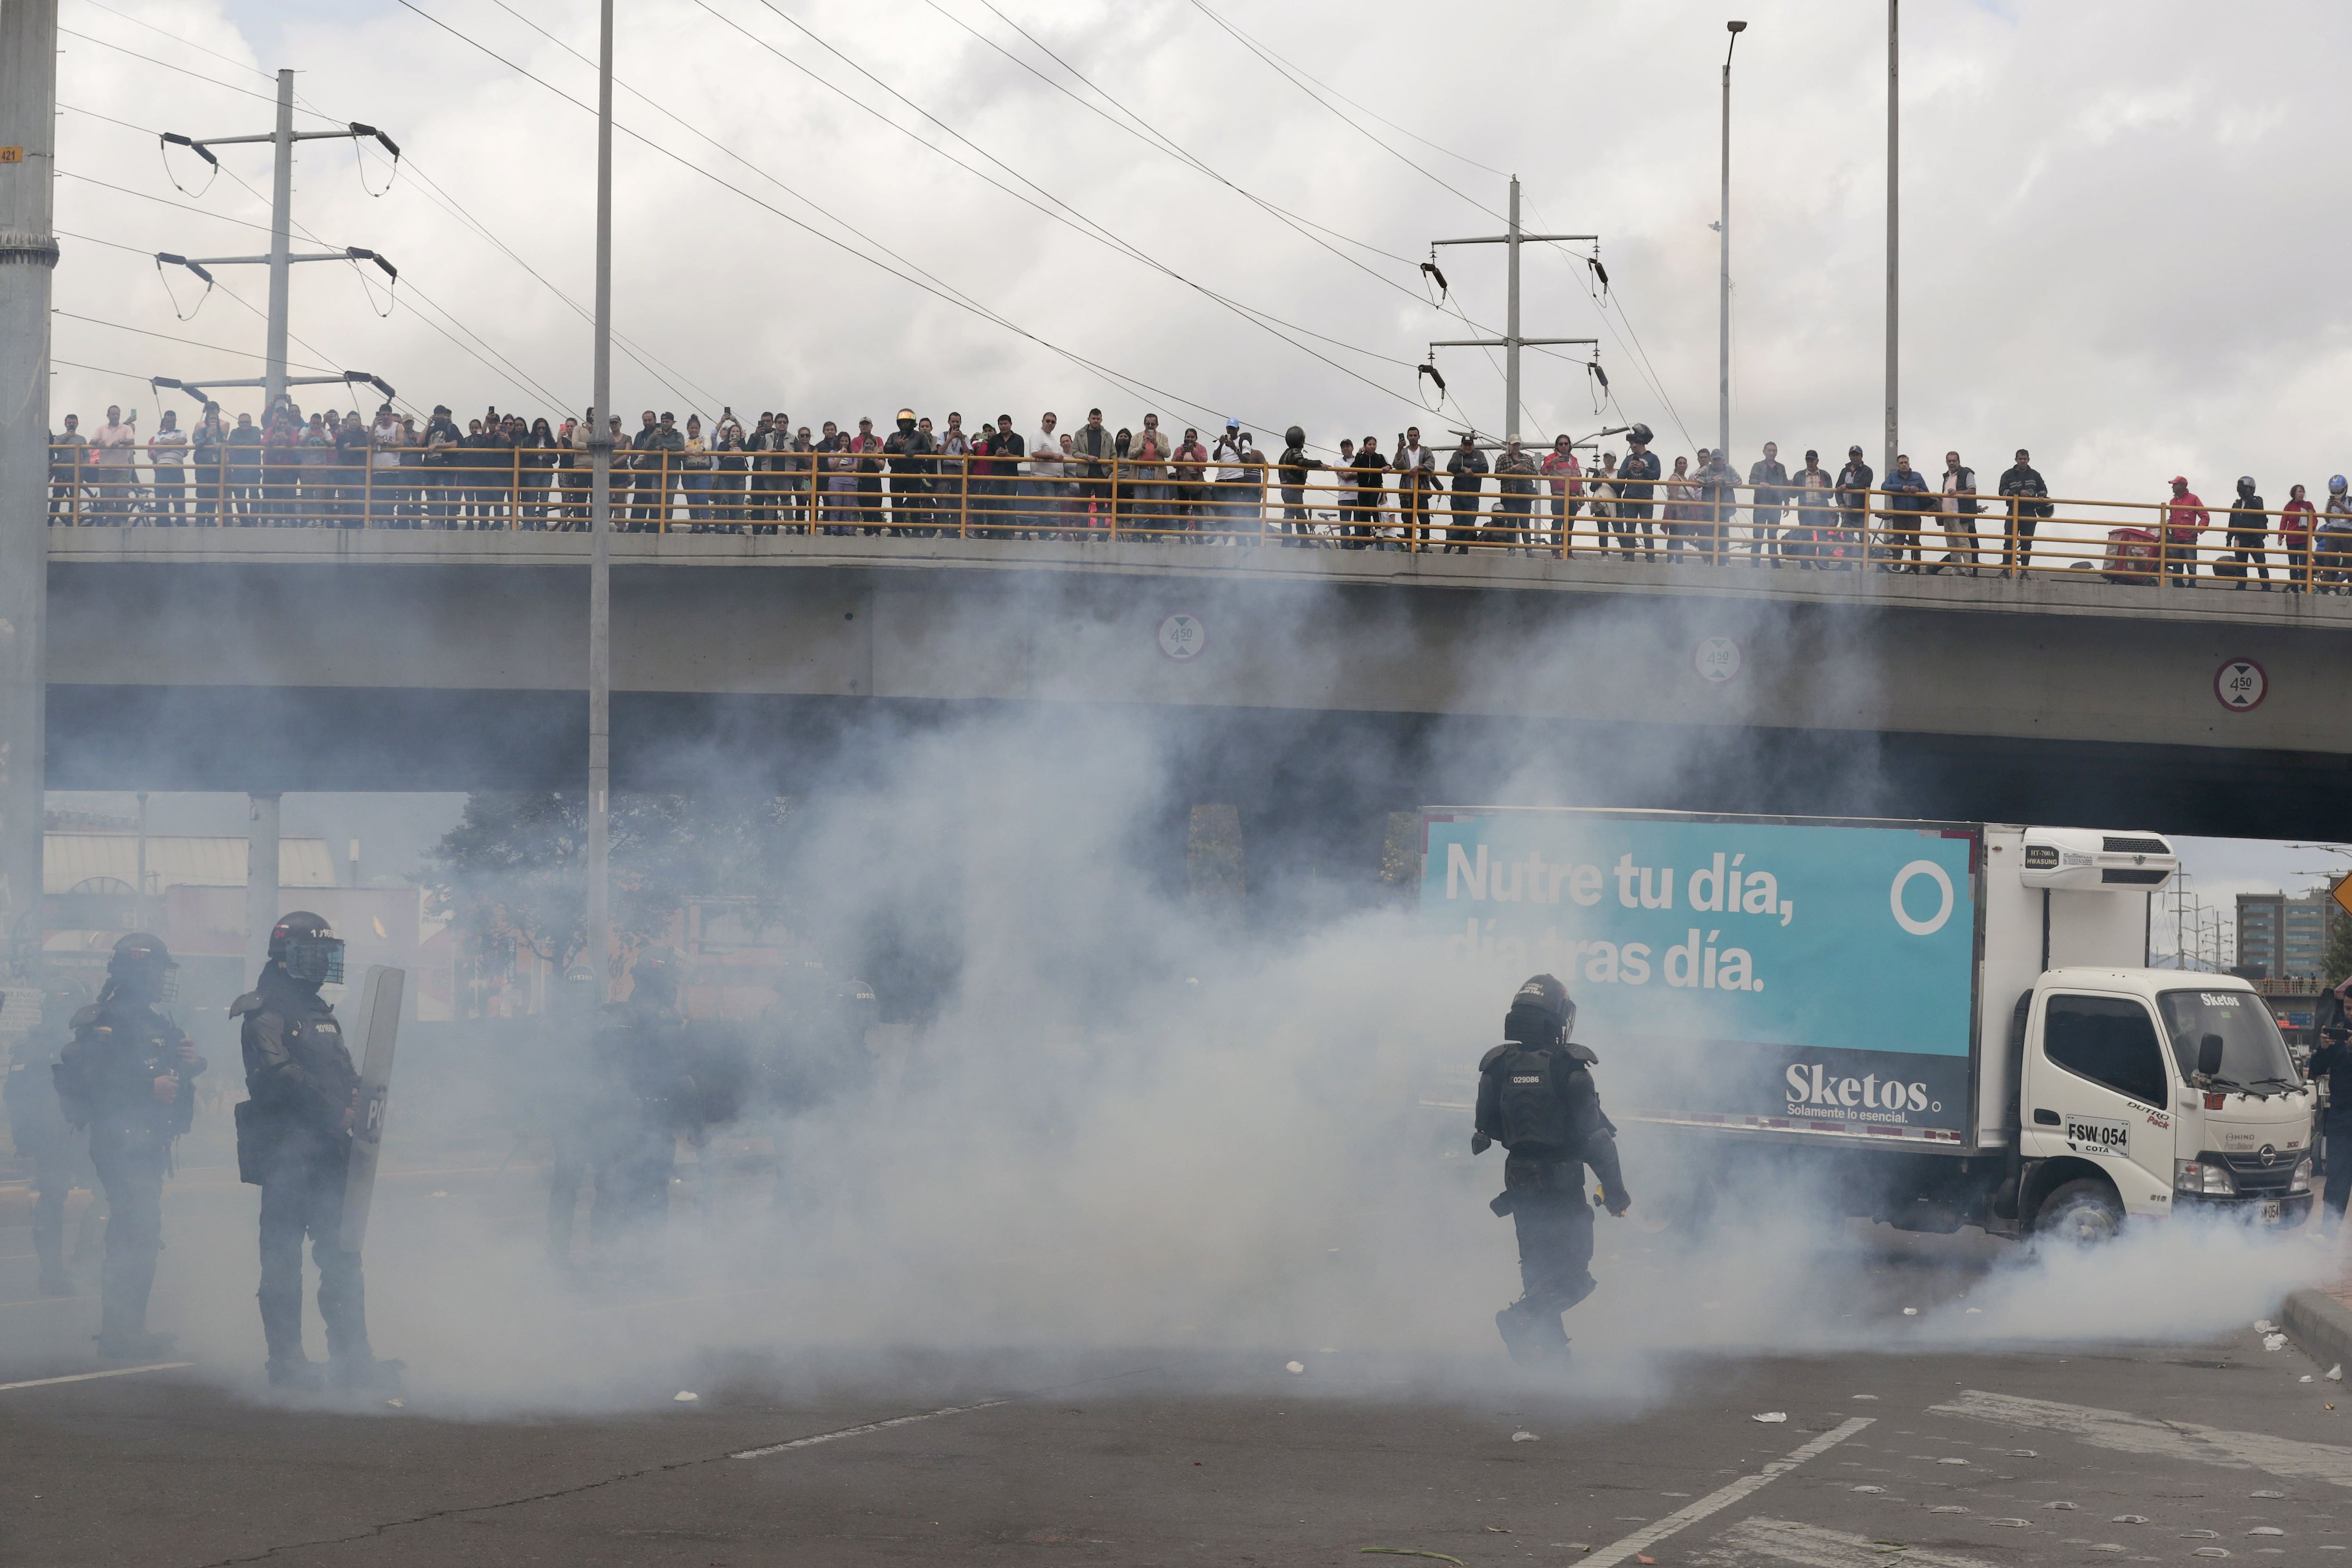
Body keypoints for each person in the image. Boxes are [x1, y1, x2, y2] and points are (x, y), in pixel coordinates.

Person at [234, 912, 400, 1391]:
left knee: (342, 1255)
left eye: (330, 955)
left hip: (329, 1152)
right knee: (283, 1259)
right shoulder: (265, 1009)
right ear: (286, 956)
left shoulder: (318, 1012)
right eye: (315, 954)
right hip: (287, 1152)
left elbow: (342, 1071)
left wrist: (357, 1097)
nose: (325, 963)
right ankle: (287, 1366)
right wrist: (335, 1110)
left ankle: (353, 1360)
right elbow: (275, 1076)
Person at [53, 935, 204, 1360]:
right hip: (120, 1144)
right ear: (140, 971)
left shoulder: (154, 1021)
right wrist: (146, 1086)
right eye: (156, 970)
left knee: (141, 1233)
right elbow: (92, 1079)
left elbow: (172, 1067)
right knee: (130, 1235)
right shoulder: (106, 1020)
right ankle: (121, 1333)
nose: (162, 979)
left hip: (148, 1144)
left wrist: (188, 1061)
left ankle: (130, 1327)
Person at [1472, 974, 1628, 1363]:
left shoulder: (1496, 1065)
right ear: (1557, 1018)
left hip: (1519, 1182)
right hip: (1560, 1184)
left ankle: (1550, 1356)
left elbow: (1487, 1128)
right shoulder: (1570, 1068)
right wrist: (1617, 1190)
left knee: (1538, 1270)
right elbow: (1596, 1141)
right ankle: (1520, 1320)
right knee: (1574, 1275)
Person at [591, 947, 697, 1273]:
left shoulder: (623, 1015)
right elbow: (673, 1073)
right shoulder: (663, 1017)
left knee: (620, 1190)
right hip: (648, 1120)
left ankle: (615, 1261)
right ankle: (641, 1263)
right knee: (647, 1191)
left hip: (631, 1119)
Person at [6, 979, 96, 1296]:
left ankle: (57, 1271)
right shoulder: (74, 1046)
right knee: (108, 1194)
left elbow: (14, 1096)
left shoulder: (28, 1048)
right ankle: (79, 1265)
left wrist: (24, 1140)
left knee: (53, 1201)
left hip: (53, 1138)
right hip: (75, 1134)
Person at [2306, 981, 2352, 1233]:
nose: (2350, 1013)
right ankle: (2328, 1233)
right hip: (2341, 1116)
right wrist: (2323, 1050)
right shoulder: (2339, 1032)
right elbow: (2315, 1071)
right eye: (2347, 1008)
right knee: (2337, 1178)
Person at [1995, 448, 2050, 576]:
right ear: (2016, 460)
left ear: (2028, 460)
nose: (2023, 461)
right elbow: (2002, 491)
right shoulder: (2008, 475)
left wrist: (2041, 497)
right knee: (2009, 541)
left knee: (2027, 543)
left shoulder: (2035, 475)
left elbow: (2043, 490)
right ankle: (2006, 570)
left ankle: (2024, 572)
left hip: (2030, 512)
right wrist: (2018, 493)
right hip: (2013, 511)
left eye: (2025, 459)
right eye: (2020, 459)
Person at [883, 409, 935, 537]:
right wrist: (897, 445)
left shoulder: (920, 436)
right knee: (896, 503)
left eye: (908, 422)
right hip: (896, 473)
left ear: (912, 423)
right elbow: (886, 449)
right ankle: (896, 530)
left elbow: (928, 450)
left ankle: (916, 531)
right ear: (899, 423)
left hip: (913, 473)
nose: (905, 424)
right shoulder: (894, 436)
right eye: (903, 422)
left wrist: (916, 454)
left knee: (914, 502)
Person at [1617, 424, 1662, 562]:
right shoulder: (1629, 459)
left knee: (1647, 528)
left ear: (1639, 443)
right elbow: (1620, 476)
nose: (1631, 446)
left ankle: (1651, 556)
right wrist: (1628, 469)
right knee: (1630, 527)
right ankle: (1630, 555)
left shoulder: (1653, 458)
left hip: (1646, 498)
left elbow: (1657, 475)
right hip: (1630, 497)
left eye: (1633, 444)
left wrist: (1643, 469)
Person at [1879, 454, 1931, 571]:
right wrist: (1901, 488)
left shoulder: (1917, 477)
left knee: (1915, 542)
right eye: (1901, 463)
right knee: (1898, 542)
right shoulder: (1893, 476)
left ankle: (1916, 568)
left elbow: (1927, 494)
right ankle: (1896, 567)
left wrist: (1919, 490)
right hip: (1899, 515)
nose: (1904, 465)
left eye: (1906, 463)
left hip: (1914, 515)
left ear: (1909, 464)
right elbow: (1884, 486)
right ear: (1898, 465)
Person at [1935, 451, 1981, 573]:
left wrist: (1958, 493)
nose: (1952, 463)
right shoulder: (1947, 476)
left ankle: (1968, 569)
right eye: (1949, 461)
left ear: (1959, 461)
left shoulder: (1967, 473)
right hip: (1947, 514)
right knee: (1952, 545)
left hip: (1959, 513)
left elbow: (1972, 491)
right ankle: (1956, 569)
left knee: (1963, 543)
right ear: (1946, 462)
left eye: (1954, 461)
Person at [1276, 425, 1324, 543]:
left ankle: (1298, 540)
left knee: (1297, 514)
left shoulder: (1285, 453)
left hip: (1287, 489)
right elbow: (1301, 462)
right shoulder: (1294, 452)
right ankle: (1295, 541)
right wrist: (1319, 464)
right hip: (1293, 489)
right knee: (1296, 516)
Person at [2220, 477, 2271, 588]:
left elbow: (2259, 510)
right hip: (2240, 538)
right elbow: (2232, 520)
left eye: (2243, 488)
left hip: (2255, 538)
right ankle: (2241, 586)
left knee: (2261, 563)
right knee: (2241, 565)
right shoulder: (2237, 503)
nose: (2240, 491)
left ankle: (2266, 586)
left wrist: (2249, 496)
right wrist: (2229, 537)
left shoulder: (2257, 500)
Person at [1788, 449, 1834, 566]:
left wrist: (1824, 491)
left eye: (1812, 460)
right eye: (1808, 460)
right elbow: (1793, 495)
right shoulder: (1799, 475)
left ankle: (1824, 565)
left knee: (1823, 538)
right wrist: (1790, 486)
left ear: (1817, 461)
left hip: (1821, 510)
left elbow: (1831, 495)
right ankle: (1805, 564)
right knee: (1805, 538)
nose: (1810, 463)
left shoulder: (1825, 475)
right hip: (1806, 511)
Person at [2161, 475, 2209, 586]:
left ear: (2183, 486)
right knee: (2178, 563)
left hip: (2189, 538)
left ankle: (2192, 584)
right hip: (2177, 537)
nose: (2173, 487)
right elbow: (2173, 518)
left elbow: (2205, 516)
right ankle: (2178, 584)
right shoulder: (2173, 501)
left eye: (2175, 485)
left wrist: (2197, 529)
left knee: (2190, 563)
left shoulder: (2193, 499)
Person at [1746, 440, 1789, 564]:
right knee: (1758, 535)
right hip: (1761, 504)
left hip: (1776, 505)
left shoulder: (1781, 468)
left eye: (1774, 450)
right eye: (1769, 450)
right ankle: (1755, 563)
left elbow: (1785, 485)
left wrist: (1787, 503)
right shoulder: (1758, 466)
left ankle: (1775, 563)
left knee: (1773, 535)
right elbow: (1751, 480)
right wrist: (1760, 483)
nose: (1772, 453)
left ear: (1777, 452)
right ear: (1764, 452)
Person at [1444, 434, 1488, 552]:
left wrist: (1472, 471)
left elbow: (1485, 468)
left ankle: (1452, 541)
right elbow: (1450, 467)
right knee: (1459, 524)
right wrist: (1464, 469)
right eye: (1466, 445)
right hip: (1458, 495)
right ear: (1461, 446)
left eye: (1470, 445)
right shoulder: (1457, 455)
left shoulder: (1480, 455)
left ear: (1473, 446)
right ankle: (1461, 548)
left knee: (1469, 525)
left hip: (1472, 496)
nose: (1468, 447)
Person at [1540, 436, 1581, 557]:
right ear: (1557, 446)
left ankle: (1568, 552)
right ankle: (1556, 552)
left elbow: (1578, 477)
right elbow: (1543, 472)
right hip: (1559, 495)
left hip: (1573, 496)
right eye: (1561, 444)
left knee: (1569, 526)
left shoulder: (1574, 460)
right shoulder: (1551, 458)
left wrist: (1581, 492)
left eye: (1566, 444)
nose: (1564, 446)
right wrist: (1552, 463)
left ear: (1569, 445)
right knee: (1557, 524)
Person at [1834, 444, 1875, 566]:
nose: (1855, 457)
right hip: (1847, 510)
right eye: (1853, 455)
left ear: (1862, 456)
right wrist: (1841, 503)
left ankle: (1864, 564)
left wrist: (1847, 486)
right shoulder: (1844, 471)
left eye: (1857, 455)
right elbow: (1837, 488)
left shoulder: (1867, 471)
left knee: (1863, 538)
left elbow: (1864, 485)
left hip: (1861, 510)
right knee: (1846, 537)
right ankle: (1847, 564)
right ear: (1850, 456)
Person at [147, 409, 188, 524]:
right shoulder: (158, 434)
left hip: (177, 468)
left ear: (176, 421)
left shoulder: (182, 432)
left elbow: (183, 441)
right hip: (162, 468)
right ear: (165, 422)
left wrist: (165, 443)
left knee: (179, 498)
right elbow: (156, 448)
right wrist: (175, 444)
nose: (170, 423)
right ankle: (162, 523)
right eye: (168, 421)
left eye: (172, 421)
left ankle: (181, 523)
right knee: (161, 498)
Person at [1350, 434, 1389, 548]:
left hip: (1376, 487)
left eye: (1374, 444)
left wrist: (1387, 468)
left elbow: (1387, 465)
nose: (1372, 447)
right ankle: (1367, 541)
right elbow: (1353, 468)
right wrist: (1358, 454)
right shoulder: (1361, 457)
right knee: (1364, 512)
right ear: (1365, 446)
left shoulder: (1380, 457)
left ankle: (1378, 529)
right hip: (1363, 488)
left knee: (1373, 505)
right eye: (1369, 444)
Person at [49, 412, 87, 522]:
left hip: (76, 473)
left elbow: (87, 455)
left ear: (77, 424)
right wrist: (66, 437)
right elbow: (55, 449)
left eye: (74, 423)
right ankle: (51, 521)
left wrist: (83, 468)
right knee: (57, 498)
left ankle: (72, 521)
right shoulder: (60, 438)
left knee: (74, 500)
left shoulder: (82, 439)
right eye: (70, 423)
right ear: (65, 424)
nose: (72, 425)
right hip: (61, 473)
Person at [2281, 482, 2315, 592]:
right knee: (2293, 566)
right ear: (2294, 494)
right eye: (2299, 492)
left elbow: (2315, 519)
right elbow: (2284, 522)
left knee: (2303, 564)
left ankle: (2305, 587)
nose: (2302, 494)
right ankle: (2294, 587)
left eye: (2303, 492)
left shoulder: (2308, 505)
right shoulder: (2289, 506)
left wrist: (2311, 529)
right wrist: (2280, 537)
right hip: (2291, 539)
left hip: (2303, 539)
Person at [2322, 476, 2352, 593]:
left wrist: (2342, 507)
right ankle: (2326, 589)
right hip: (2333, 531)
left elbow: (2350, 516)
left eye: (2338, 491)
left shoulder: (2350, 500)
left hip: (2347, 532)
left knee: (2349, 562)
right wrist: (2329, 509)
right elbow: (2327, 520)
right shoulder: (2330, 501)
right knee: (2328, 560)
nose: (2337, 493)